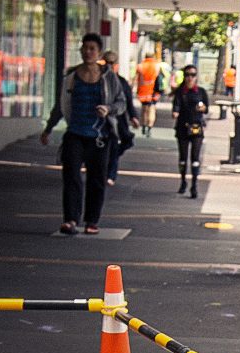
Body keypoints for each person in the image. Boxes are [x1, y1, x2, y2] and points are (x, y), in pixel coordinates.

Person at [40, 33, 126, 235]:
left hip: (99, 137)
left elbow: (121, 103)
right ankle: (70, 219)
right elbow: (60, 106)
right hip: (75, 133)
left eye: (92, 49)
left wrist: (108, 109)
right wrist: (48, 128)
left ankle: (92, 221)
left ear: (99, 53)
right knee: (71, 176)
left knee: (97, 179)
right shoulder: (71, 77)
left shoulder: (109, 78)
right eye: (85, 48)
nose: (88, 52)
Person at [102, 51, 140, 186]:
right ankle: (110, 174)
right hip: (105, 121)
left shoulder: (122, 82)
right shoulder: (100, 80)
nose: (109, 66)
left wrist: (133, 116)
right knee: (111, 145)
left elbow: (128, 101)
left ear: (116, 65)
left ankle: (111, 159)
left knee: (127, 141)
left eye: (111, 63)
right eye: (106, 62)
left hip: (120, 119)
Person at [172, 64, 209, 197]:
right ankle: (183, 181)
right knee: (183, 158)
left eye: (192, 75)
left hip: (196, 128)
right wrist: (175, 112)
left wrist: (203, 108)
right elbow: (176, 106)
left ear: (196, 77)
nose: (189, 78)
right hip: (182, 127)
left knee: (195, 158)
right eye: (187, 75)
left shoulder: (201, 92)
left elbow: (206, 108)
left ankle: (194, 185)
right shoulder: (180, 92)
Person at [135, 52, 162, 136]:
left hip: (143, 92)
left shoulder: (140, 66)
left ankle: (143, 125)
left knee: (144, 110)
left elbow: (137, 79)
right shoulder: (157, 66)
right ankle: (149, 127)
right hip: (153, 92)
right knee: (152, 110)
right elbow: (159, 79)